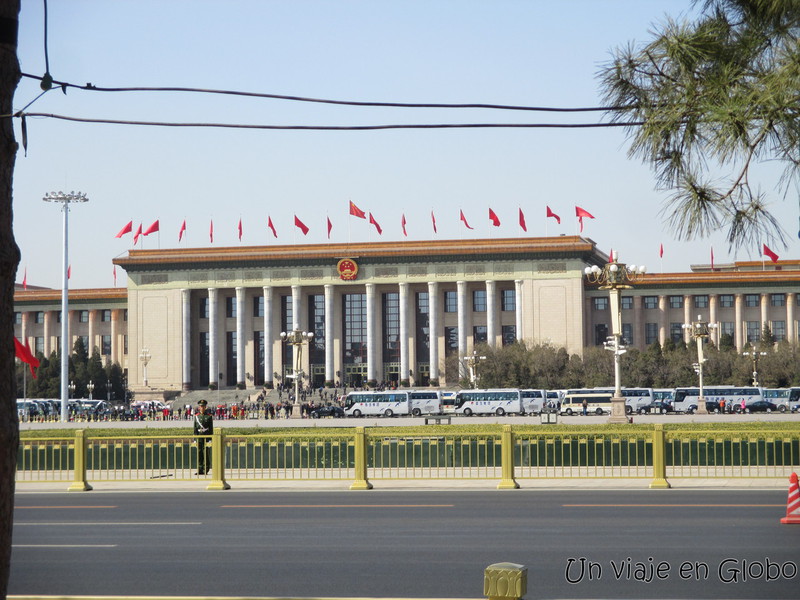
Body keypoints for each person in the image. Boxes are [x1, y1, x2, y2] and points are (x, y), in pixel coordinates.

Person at [193, 399, 213, 475]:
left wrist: (210, 439)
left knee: (206, 454)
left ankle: (206, 469)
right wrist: (195, 439)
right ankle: (200, 469)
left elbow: (211, 429)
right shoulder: (196, 417)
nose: (202, 408)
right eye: (201, 406)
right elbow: (195, 428)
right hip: (199, 437)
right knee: (199, 453)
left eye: (203, 406)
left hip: (206, 437)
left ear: (205, 407)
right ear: (199, 407)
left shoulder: (209, 417)